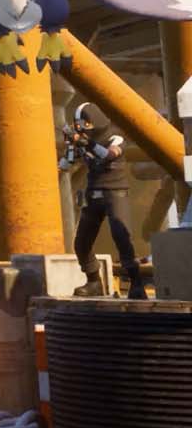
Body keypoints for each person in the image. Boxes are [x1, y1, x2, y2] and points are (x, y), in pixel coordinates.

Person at [61, 102, 147, 298]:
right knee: (82, 242)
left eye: (83, 125)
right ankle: (94, 282)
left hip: (115, 193)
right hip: (93, 195)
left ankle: (136, 284)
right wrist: (71, 146)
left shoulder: (114, 137)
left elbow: (109, 155)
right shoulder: (84, 141)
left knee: (122, 238)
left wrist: (86, 143)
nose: (81, 129)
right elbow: (66, 164)